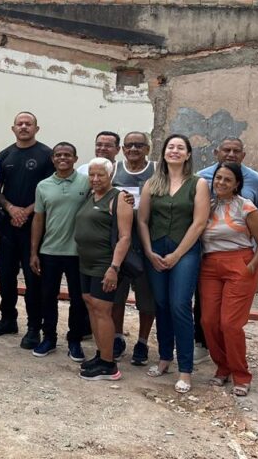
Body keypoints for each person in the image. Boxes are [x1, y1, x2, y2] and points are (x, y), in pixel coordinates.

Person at [137, 134, 210, 394]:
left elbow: (199, 223)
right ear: (164, 153)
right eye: (170, 147)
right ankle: (165, 357)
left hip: (185, 251)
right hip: (155, 249)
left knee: (180, 305)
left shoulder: (198, 184)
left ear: (188, 154)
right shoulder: (152, 183)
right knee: (161, 304)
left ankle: (185, 369)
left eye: (180, 148)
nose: (175, 151)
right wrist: (148, 251)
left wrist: (177, 254)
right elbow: (142, 220)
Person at [199, 162, 258, 397]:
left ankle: (241, 375)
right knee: (208, 321)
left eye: (227, 179)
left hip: (239, 263)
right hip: (210, 266)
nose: (221, 183)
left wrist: (251, 267)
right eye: (218, 178)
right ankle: (223, 366)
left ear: (237, 184)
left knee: (230, 324)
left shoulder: (246, 207)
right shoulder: (207, 206)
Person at [0, 112, 54, 349]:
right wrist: (10, 208)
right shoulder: (4, 155)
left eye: (28, 124)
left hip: (35, 228)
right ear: (13, 128)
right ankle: (8, 319)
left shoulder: (47, 155)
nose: (24, 127)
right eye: (20, 123)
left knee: (33, 278)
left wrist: (26, 211)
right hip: (8, 226)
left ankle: (34, 327)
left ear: (37, 128)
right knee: (5, 275)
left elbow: (50, 190)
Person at [30, 142, 92, 362]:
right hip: (50, 251)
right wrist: (34, 252)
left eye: (67, 155)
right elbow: (38, 219)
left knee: (78, 300)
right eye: (58, 155)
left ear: (75, 159)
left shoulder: (87, 182)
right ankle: (49, 338)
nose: (62, 158)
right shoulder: (43, 186)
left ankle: (74, 340)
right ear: (53, 159)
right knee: (48, 297)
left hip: (78, 253)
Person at [75, 157, 133, 381]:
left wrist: (114, 268)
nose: (95, 179)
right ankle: (101, 354)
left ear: (110, 176)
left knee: (102, 309)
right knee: (91, 304)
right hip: (85, 262)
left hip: (105, 264)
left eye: (100, 175)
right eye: (92, 174)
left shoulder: (120, 198)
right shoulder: (90, 195)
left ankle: (109, 365)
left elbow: (125, 237)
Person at [111, 131, 157, 365]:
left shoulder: (157, 170)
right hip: (121, 245)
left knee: (146, 298)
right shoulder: (114, 170)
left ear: (147, 149)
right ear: (122, 149)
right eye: (129, 145)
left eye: (139, 145)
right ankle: (117, 337)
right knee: (116, 296)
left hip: (147, 245)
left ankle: (142, 342)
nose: (133, 149)